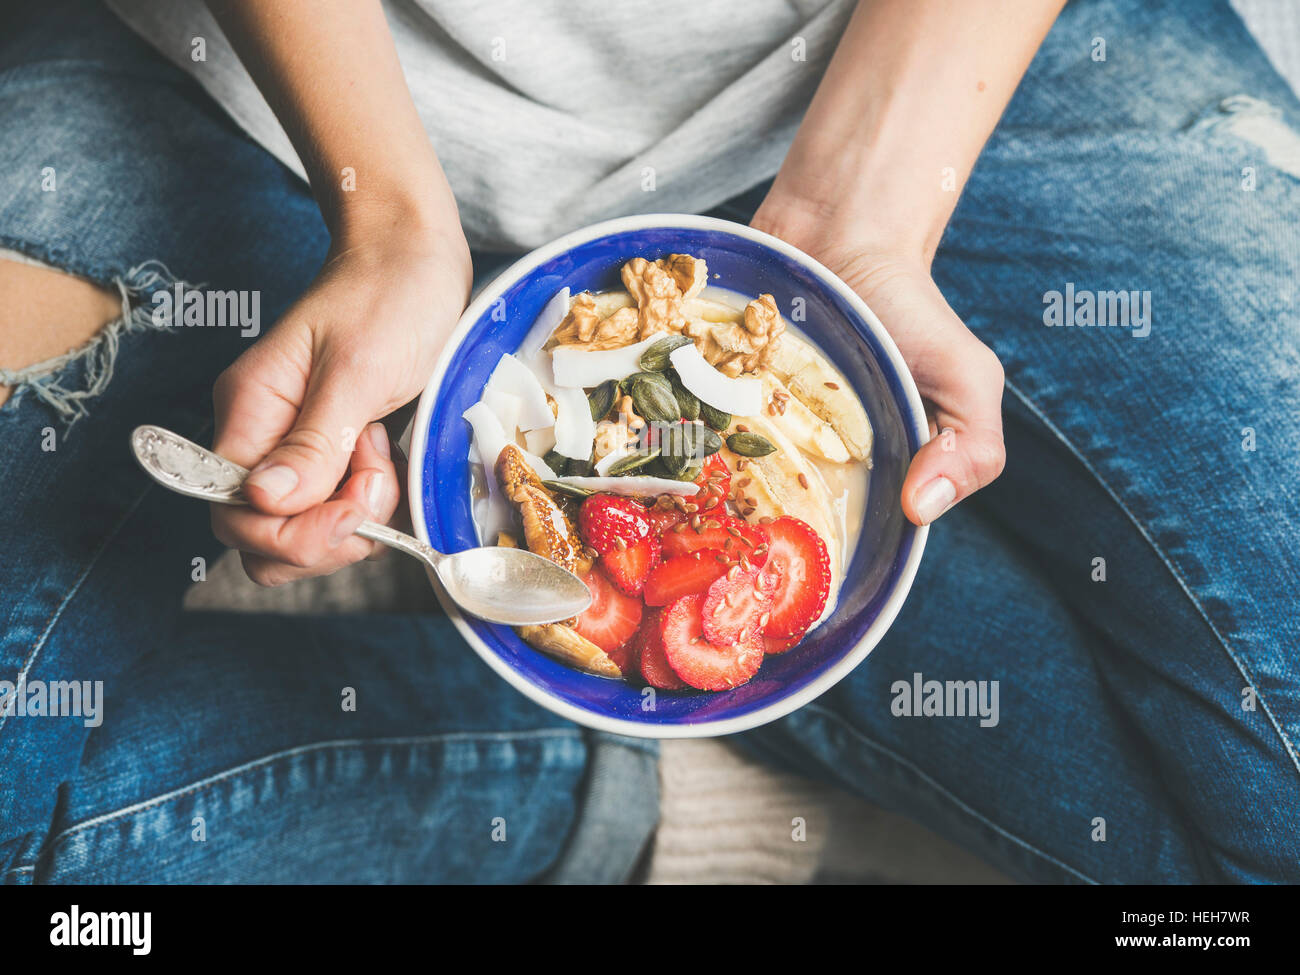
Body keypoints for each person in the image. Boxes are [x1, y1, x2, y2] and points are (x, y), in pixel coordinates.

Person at [1, 0, 1297, 884]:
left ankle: (774, 673)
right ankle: (593, 777)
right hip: (258, 93)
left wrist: (868, 208)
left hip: (954, 69)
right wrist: (385, 209)